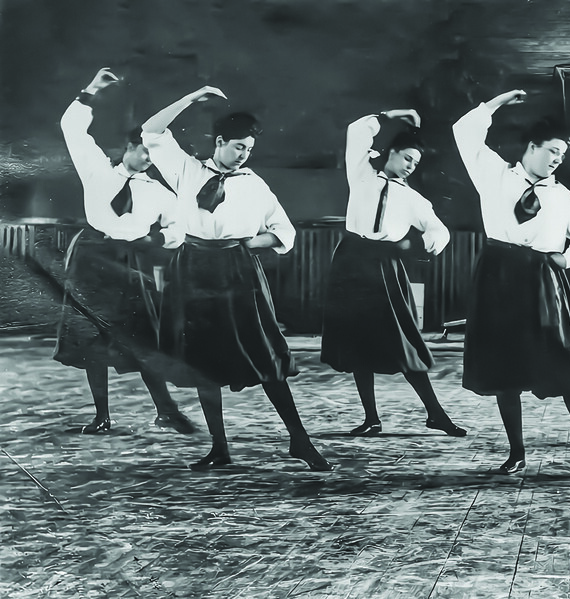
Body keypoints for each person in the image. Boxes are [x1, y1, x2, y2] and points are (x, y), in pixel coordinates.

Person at [141, 85, 331, 471]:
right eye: (238, 147)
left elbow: (285, 232)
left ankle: (300, 440)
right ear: (220, 141)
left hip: (238, 270)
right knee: (203, 361)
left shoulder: (253, 183)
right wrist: (191, 99)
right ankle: (219, 448)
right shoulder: (187, 169)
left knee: (264, 358)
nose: (244, 154)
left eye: (249, 149)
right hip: (192, 269)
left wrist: (250, 241)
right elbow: (151, 132)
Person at [452, 89, 570, 478]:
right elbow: (465, 133)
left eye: (562, 155)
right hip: (498, 275)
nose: (558, 159)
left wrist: (567, 259)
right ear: (532, 147)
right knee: (505, 370)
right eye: (553, 151)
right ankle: (516, 453)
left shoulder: (562, 196)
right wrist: (497, 103)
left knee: (566, 367)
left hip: (541, 282)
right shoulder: (495, 173)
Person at [55, 67, 195, 435]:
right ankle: (102, 415)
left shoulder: (161, 193)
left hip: (131, 263)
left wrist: (155, 243)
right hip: (90, 258)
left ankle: (166, 409)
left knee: (142, 339)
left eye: (154, 154)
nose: (149, 159)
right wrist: (92, 90)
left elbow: (177, 231)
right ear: (130, 146)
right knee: (91, 342)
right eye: (144, 151)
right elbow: (72, 129)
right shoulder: (97, 170)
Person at [320, 108, 466, 438]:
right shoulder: (361, 174)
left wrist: (427, 243)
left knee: (404, 344)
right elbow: (356, 131)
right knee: (358, 343)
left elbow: (439, 230)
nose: (412, 165)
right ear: (392, 153)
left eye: (416, 161)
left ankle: (435, 414)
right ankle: (371, 418)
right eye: (407, 158)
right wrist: (392, 115)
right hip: (350, 261)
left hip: (385, 268)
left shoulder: (413, 198)